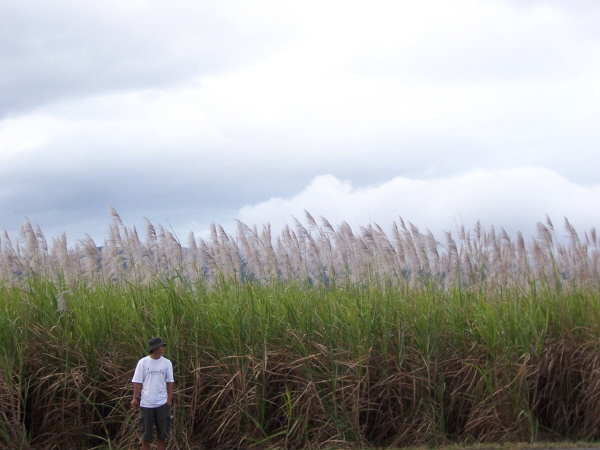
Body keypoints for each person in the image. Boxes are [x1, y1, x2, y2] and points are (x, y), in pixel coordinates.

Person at [131, 337, 174, 450]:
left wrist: (169, 400)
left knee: (162, 435)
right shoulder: (143, 362)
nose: (163, 348)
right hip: (147, 404)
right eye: (161, 346)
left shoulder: (167, 363)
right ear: (154, 348)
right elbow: (138, 382)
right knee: (146, 436)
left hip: (162, 404)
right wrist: (134, 398)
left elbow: (170, 382)